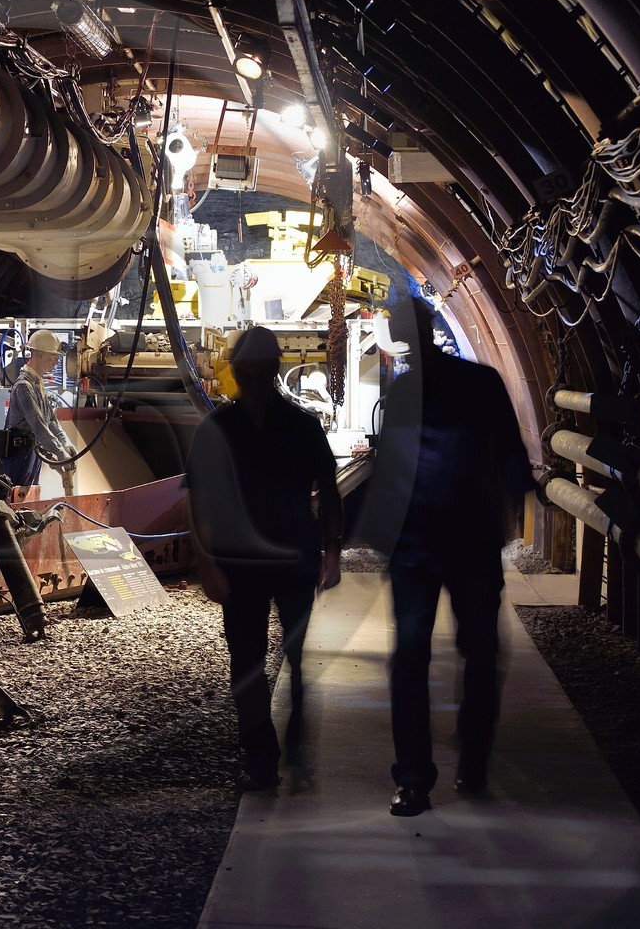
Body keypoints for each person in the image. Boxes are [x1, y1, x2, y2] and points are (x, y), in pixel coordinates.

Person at [363, 296, 533, 817]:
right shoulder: (480, 384)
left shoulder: (402, 395)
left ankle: (416, 781)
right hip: (463, 544)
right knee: (477, 652)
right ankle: (468, 763)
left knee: (412, 660)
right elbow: (512, 458)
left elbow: (390, 472)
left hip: (428, 547)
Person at [186, 326, 343, 790]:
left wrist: (332, 549)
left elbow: (330, 492)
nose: (252, 376)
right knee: (252, 660)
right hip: (257, 559)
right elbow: (199, 501)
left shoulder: (273, 425)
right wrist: (207, 564)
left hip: (278, 557)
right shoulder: (228, 428)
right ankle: (262, 753)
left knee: (274, 656)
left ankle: (278, 741)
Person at [3, 329, 77, 498]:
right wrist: (61, 454)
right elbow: (38, 425)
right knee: (17, 497)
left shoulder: (37, 384)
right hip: (19, 454)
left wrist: (66, 443)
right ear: (40, 355)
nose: (57, 361)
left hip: (31, 450)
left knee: (31, 495)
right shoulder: (24, 386)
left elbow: (50, 420)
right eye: (53, 356)